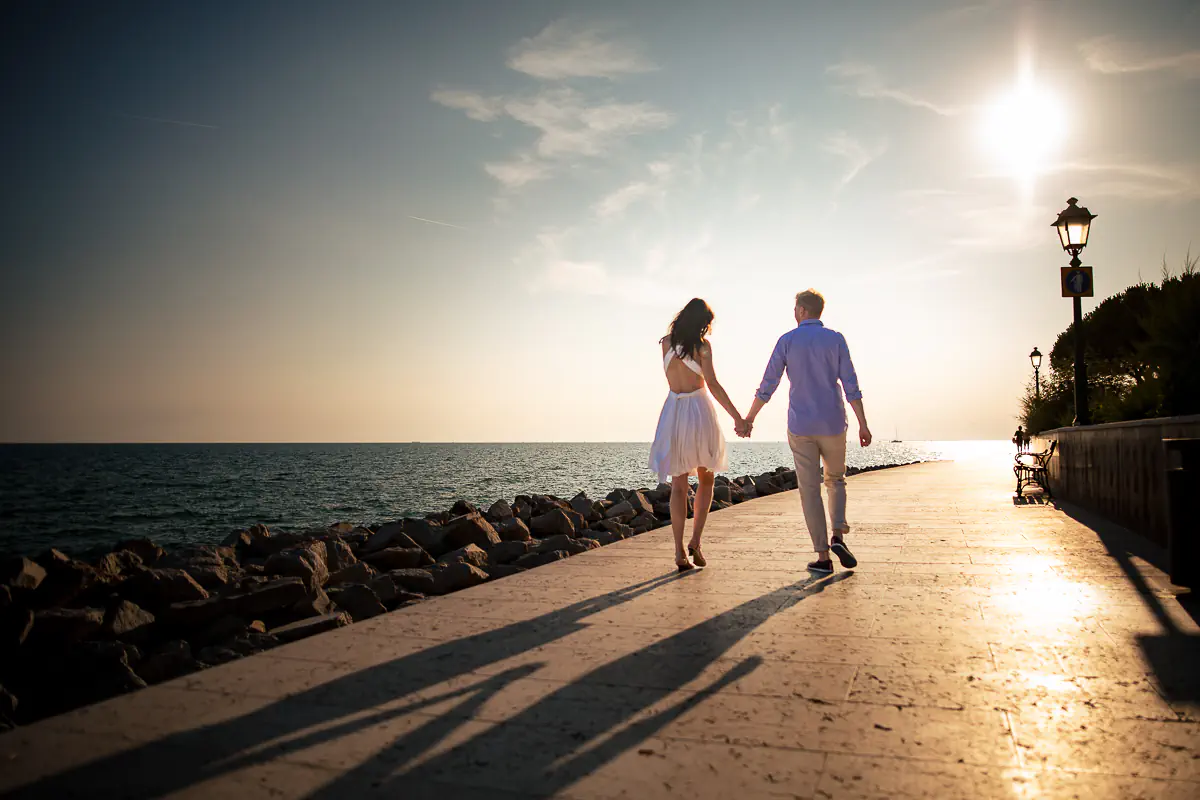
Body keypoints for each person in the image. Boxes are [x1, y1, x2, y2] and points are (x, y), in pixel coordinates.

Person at [740, 289, 870, 574]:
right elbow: (851, 383)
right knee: (835, 480)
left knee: (810, 491)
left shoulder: (787, 341)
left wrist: (749, 418)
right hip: (833, 423)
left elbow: (768, 384)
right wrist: (863, 423)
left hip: (801, 426)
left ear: (801, 310)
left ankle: (823, 557)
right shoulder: (836, 339)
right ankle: (838, 534)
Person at [648, 298, 748, 572]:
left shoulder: (666, 344)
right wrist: (737, 417)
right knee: (706, 478)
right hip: (698, 410)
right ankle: (695, 541)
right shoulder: (702, 348)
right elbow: (712, 384)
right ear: (701, 323)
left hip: (674, 411)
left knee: (679, 485)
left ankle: (680, 552)